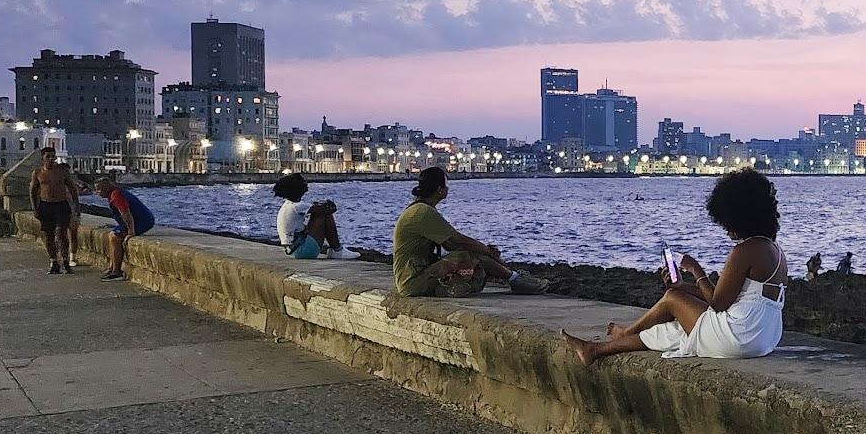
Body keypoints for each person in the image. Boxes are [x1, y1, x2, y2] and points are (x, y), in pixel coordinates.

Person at [562, 168, 787, 365]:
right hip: (763, 336)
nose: (726, 230)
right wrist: (685, 285)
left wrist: (695, 269)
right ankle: (594, 350)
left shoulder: (744, 251)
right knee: (673, 331)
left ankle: (625, 333)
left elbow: (718, 303)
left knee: (671, 298)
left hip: (740, 336)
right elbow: (730, 298)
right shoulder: (773, 249)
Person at [392, 167, 547, 298]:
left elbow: (450, 243)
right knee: (470, 255)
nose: (447, 188)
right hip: (411, 283)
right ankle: (516, 280)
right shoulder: (422, 212)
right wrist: (488, 251)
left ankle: (515, 278)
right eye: (446, 185)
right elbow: (458, 241)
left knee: (472, 254)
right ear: (439, 190)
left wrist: (486, 252)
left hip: (415, 276)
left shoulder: (420, 209)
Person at [273, 173, 358, 260]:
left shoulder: (288, 205)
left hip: (293, 251)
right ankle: (337, 249)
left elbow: (315, 208)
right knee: (324, 214)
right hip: (303, 251)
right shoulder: (296, 206)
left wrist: (321, 206)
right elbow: (325, 210)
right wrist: (329, 206)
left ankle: (336, 250)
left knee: (319, 212)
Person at [29, 147, 81, 274]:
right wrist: (34, 208)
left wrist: (77, 206)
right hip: (46, 206)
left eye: (53, 156)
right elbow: (32, 191)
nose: (52, 159)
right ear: (43, 158)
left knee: (61, 233)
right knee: (48, 235)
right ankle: (53, 261)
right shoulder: (38, 173)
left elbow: (72, 189)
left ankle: (65, 260)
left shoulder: (62, 172)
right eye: (48, 157)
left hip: (61, 205)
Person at [94, 176, 154, 281]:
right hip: (138, 221)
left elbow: (125, 213)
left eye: (99, 189)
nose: (97, 192)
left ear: (107, 187)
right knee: (111, 235)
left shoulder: (116, 195)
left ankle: (117, 271)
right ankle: (112, 267)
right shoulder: (114, 193)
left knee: (115, 237)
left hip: (141, 222)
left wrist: (131, 231)